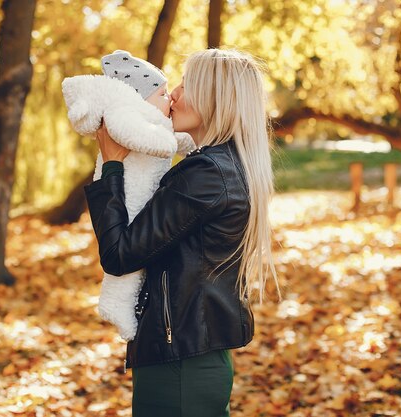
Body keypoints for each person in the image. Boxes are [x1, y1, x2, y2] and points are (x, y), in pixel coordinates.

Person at [84, 48, 280, 417]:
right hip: (189, 357)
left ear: (214, 99)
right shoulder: (221, 166)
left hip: (179, 366)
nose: (172, 92)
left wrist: (111, 165)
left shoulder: (205, 174)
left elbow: (119, 255)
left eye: (188, 84)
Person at [62, 50, 194, 341]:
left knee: (137, 255)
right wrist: (168, 143)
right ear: (139, 96)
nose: (169, 98)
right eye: (161, 94)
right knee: (128, 260)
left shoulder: (155, 121)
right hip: (128, 194)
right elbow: (134, 134)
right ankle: (114, 304)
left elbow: (177, 140)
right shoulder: (124, 113)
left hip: (141, 195)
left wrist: (187, 143)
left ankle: (119, 304)